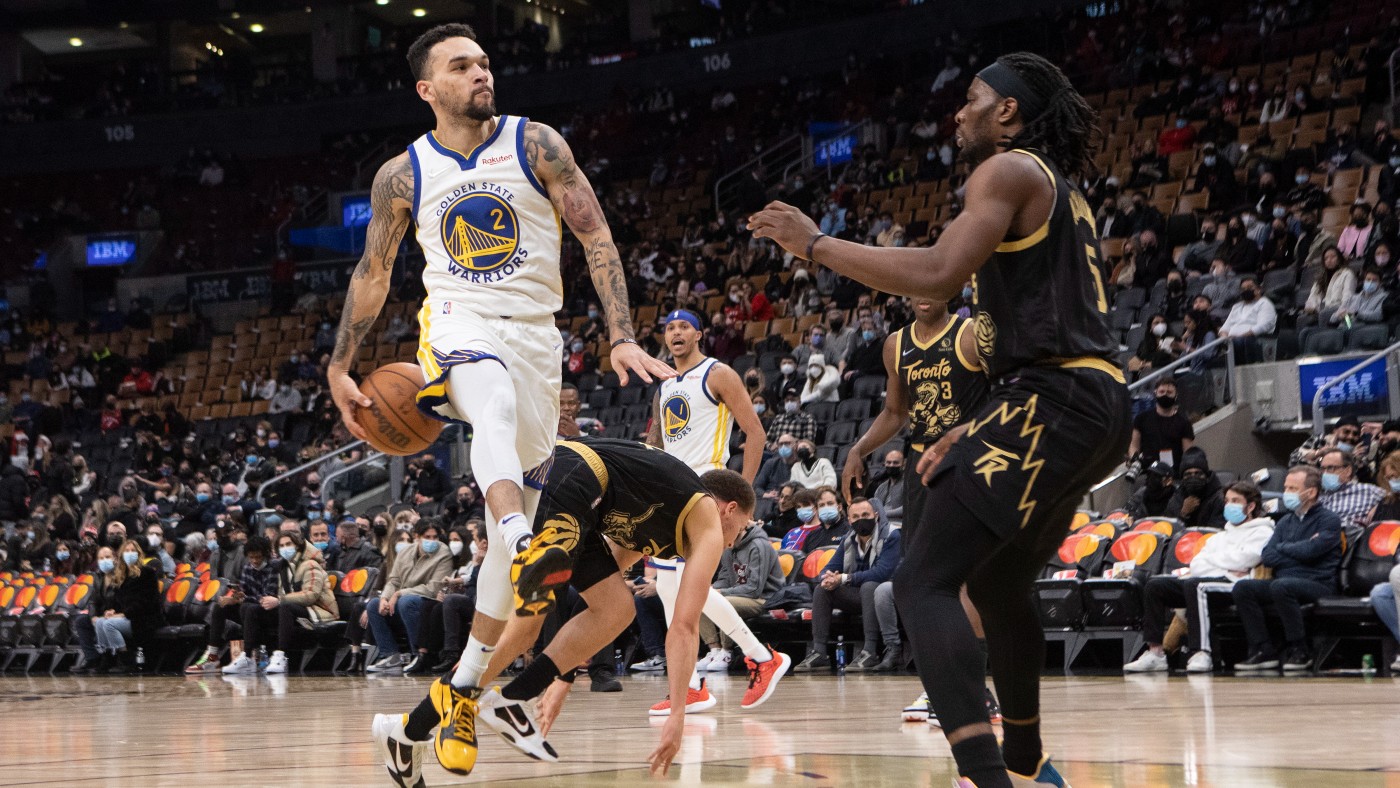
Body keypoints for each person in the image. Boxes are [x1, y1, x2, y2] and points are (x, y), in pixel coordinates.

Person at [748, 52, 1130, 788]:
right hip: (1090, 400)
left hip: (1054, 396)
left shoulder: (1006, 169)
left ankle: (985, 776)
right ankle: (1026, 764)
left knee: (922, 581)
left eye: (973, 98)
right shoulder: (1059, 188)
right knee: (999, 585)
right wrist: (981, 419)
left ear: (1008, 111)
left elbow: (938, 273)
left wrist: (814, 245)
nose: (958, 112)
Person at [330, 23, 674, 769]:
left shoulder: (535, 143)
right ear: (427, 89)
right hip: (457, 322)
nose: (482, 73)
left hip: (537, 338)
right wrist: (340, 365)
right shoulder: (403, 174)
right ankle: (521, 541)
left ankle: (453, 697)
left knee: (507, 503)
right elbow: (373, 272)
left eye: (485, 62)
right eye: (462, 66)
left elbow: (597, 236)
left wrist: (620, 334)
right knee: (489, 404)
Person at [373, 440, 757, 783]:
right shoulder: (706, 519)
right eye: (737, 531)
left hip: (580, 497)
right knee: (525, 625)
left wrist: (562, 676)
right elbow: (684, 627)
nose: (729, 545)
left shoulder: (662, 516)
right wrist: (677, 715)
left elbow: (592, 599)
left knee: (615, 608)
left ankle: (409, 731)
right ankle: (469, 702)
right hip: (570, 477)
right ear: (728, 510)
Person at [645, 311, 783, 709]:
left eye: (684, 327)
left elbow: (755, 433)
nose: (676, 332)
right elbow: (657, 445)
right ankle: (692, 685)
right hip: (672, 489)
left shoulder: (718, 373)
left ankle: (759, 658)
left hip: (706, 486)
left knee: (687, 586)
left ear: (699, 335)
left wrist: (744, 496)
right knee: (670, 590)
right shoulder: (664, 386)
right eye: (669, 328)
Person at [1124, 481, 1273, 674]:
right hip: (1214, 579)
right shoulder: (1221, 536)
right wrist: (1224, 566)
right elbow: (1197, 564)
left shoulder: (1263, 531)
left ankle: (1201, 652)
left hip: (1237, 584)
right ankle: (1155, 653)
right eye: (1227, 501)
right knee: (1155, 585)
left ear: (1251, 506)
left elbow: (1247, 559)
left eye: (1235, 501)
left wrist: (1216, 563)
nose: (1229, 505)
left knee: (1197, 585)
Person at [1233, 466, 1342, 672]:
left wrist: (1284, 548)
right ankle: (1263, 649)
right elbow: (1268, 556)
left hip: (1318, 582)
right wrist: (1296, 549)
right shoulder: (1285, 521)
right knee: (1243, 588)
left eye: (1293, 488)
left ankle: (1299, 649)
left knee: (1282, 586)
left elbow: (1311, 551)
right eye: (1286, 488)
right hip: (1284, 581)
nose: (1286, 493)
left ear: (1311, 492)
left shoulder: (1329, 520)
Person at [794, 498, 902, 672]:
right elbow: (830, 567)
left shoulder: (892, 535)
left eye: (865, 515)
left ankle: (870, 651)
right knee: (823, 589)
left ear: (875, 516)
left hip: (888, 595)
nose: (861, 519)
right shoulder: (848, 539)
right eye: (856, 516)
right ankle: (819, 652)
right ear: (849, 520)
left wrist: (844, 578)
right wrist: (827, 578)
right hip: (861, 595)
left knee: (870, 585)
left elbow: (881, 573)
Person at [365, 518, 455, 672]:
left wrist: (400, 593)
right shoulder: (405, 552)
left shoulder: (444, 553)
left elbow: (433, 588)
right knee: (373, 605)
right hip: (403, 599)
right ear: (416, 536)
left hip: (428, 601)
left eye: (435, 537)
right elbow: (394, 580)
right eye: (427, 537)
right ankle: (390, 655)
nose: (432, 541)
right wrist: (385, 598)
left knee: (406, 602)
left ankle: (418, 655)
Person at [260, 530, 339, 674]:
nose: (285, 548)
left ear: (297, 545)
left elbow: (311, 595)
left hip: (319, 609)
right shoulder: (284, 566)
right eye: (281, 546)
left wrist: (279, 600)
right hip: (298, 608)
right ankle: (249, 656)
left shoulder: (310, 564)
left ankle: (281, 655)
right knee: (252, 609)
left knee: (285, 607)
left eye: (288, 544)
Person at [1128, 377, 1194, 472]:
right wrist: (1134, 459)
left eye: (1169, 392)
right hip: (1147, 472)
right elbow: (1134, 445)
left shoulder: (1184, 423)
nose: (1165, 395)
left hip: (1173, 473)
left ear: (1176, 395)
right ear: (1155, 393)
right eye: (1162, 392)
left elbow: (1188, 453)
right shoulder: (1141, 419)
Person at [1217, 275, 1276, 364]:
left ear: (1258, 289)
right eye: (1243, 289)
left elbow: (1264, 325)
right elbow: (1225, 328)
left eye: (1249, 287)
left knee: (1236, 343)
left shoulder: (1264, 303)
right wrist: (1225, 338)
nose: (1246, 290)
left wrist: (1240, 336)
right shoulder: (1236, 306)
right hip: (1231, 341)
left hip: (1251, 340)